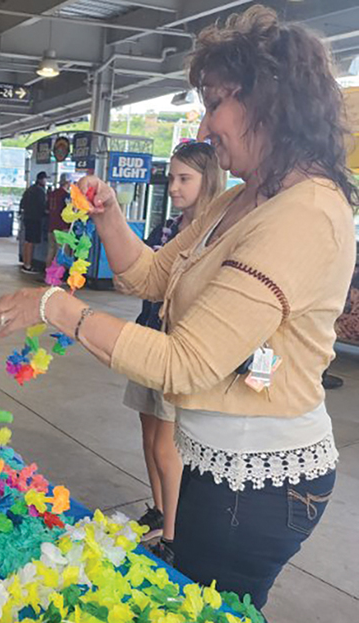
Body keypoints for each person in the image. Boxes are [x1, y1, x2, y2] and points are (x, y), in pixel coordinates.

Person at [0, 6, 356, 611]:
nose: (206, 127)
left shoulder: (305, 213)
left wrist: (57, 308)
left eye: (216, 103)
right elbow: (153, 276)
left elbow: (185, 363)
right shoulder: (242, 198)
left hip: (258, 479)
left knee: (214, 608)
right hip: (214, 460)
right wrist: (110, 217)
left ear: (268, 99)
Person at [126, 142, 224, 562]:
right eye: (171, 178)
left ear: (209, 180)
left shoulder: (216, 234)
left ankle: (172, 536)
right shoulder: (168, 228)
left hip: (176, 349)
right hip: (148, 337)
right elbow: (142, 269)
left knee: (167, 446)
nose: (174, 187)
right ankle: (160, 509)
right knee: (149, 435)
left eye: (185, 178)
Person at [19, 171, 48, 273]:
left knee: (27, 242)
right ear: (41, 180)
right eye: (45, 179)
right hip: (35, 219)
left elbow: (22, 203)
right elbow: (43, 206)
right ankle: (28, 265)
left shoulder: (30, 189)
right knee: (30, 242)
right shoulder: (40, 191)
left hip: (27, 217)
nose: (46, 181)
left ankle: (26, 263)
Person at [45, 173, 71, 270]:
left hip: (51, 226)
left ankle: (48, 272)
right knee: (61, 252)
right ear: (68, 182)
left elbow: (47, 209)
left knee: (51, 250)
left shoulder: (52, 194)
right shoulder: (66, 195)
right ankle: (57, 275)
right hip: (62, 227)